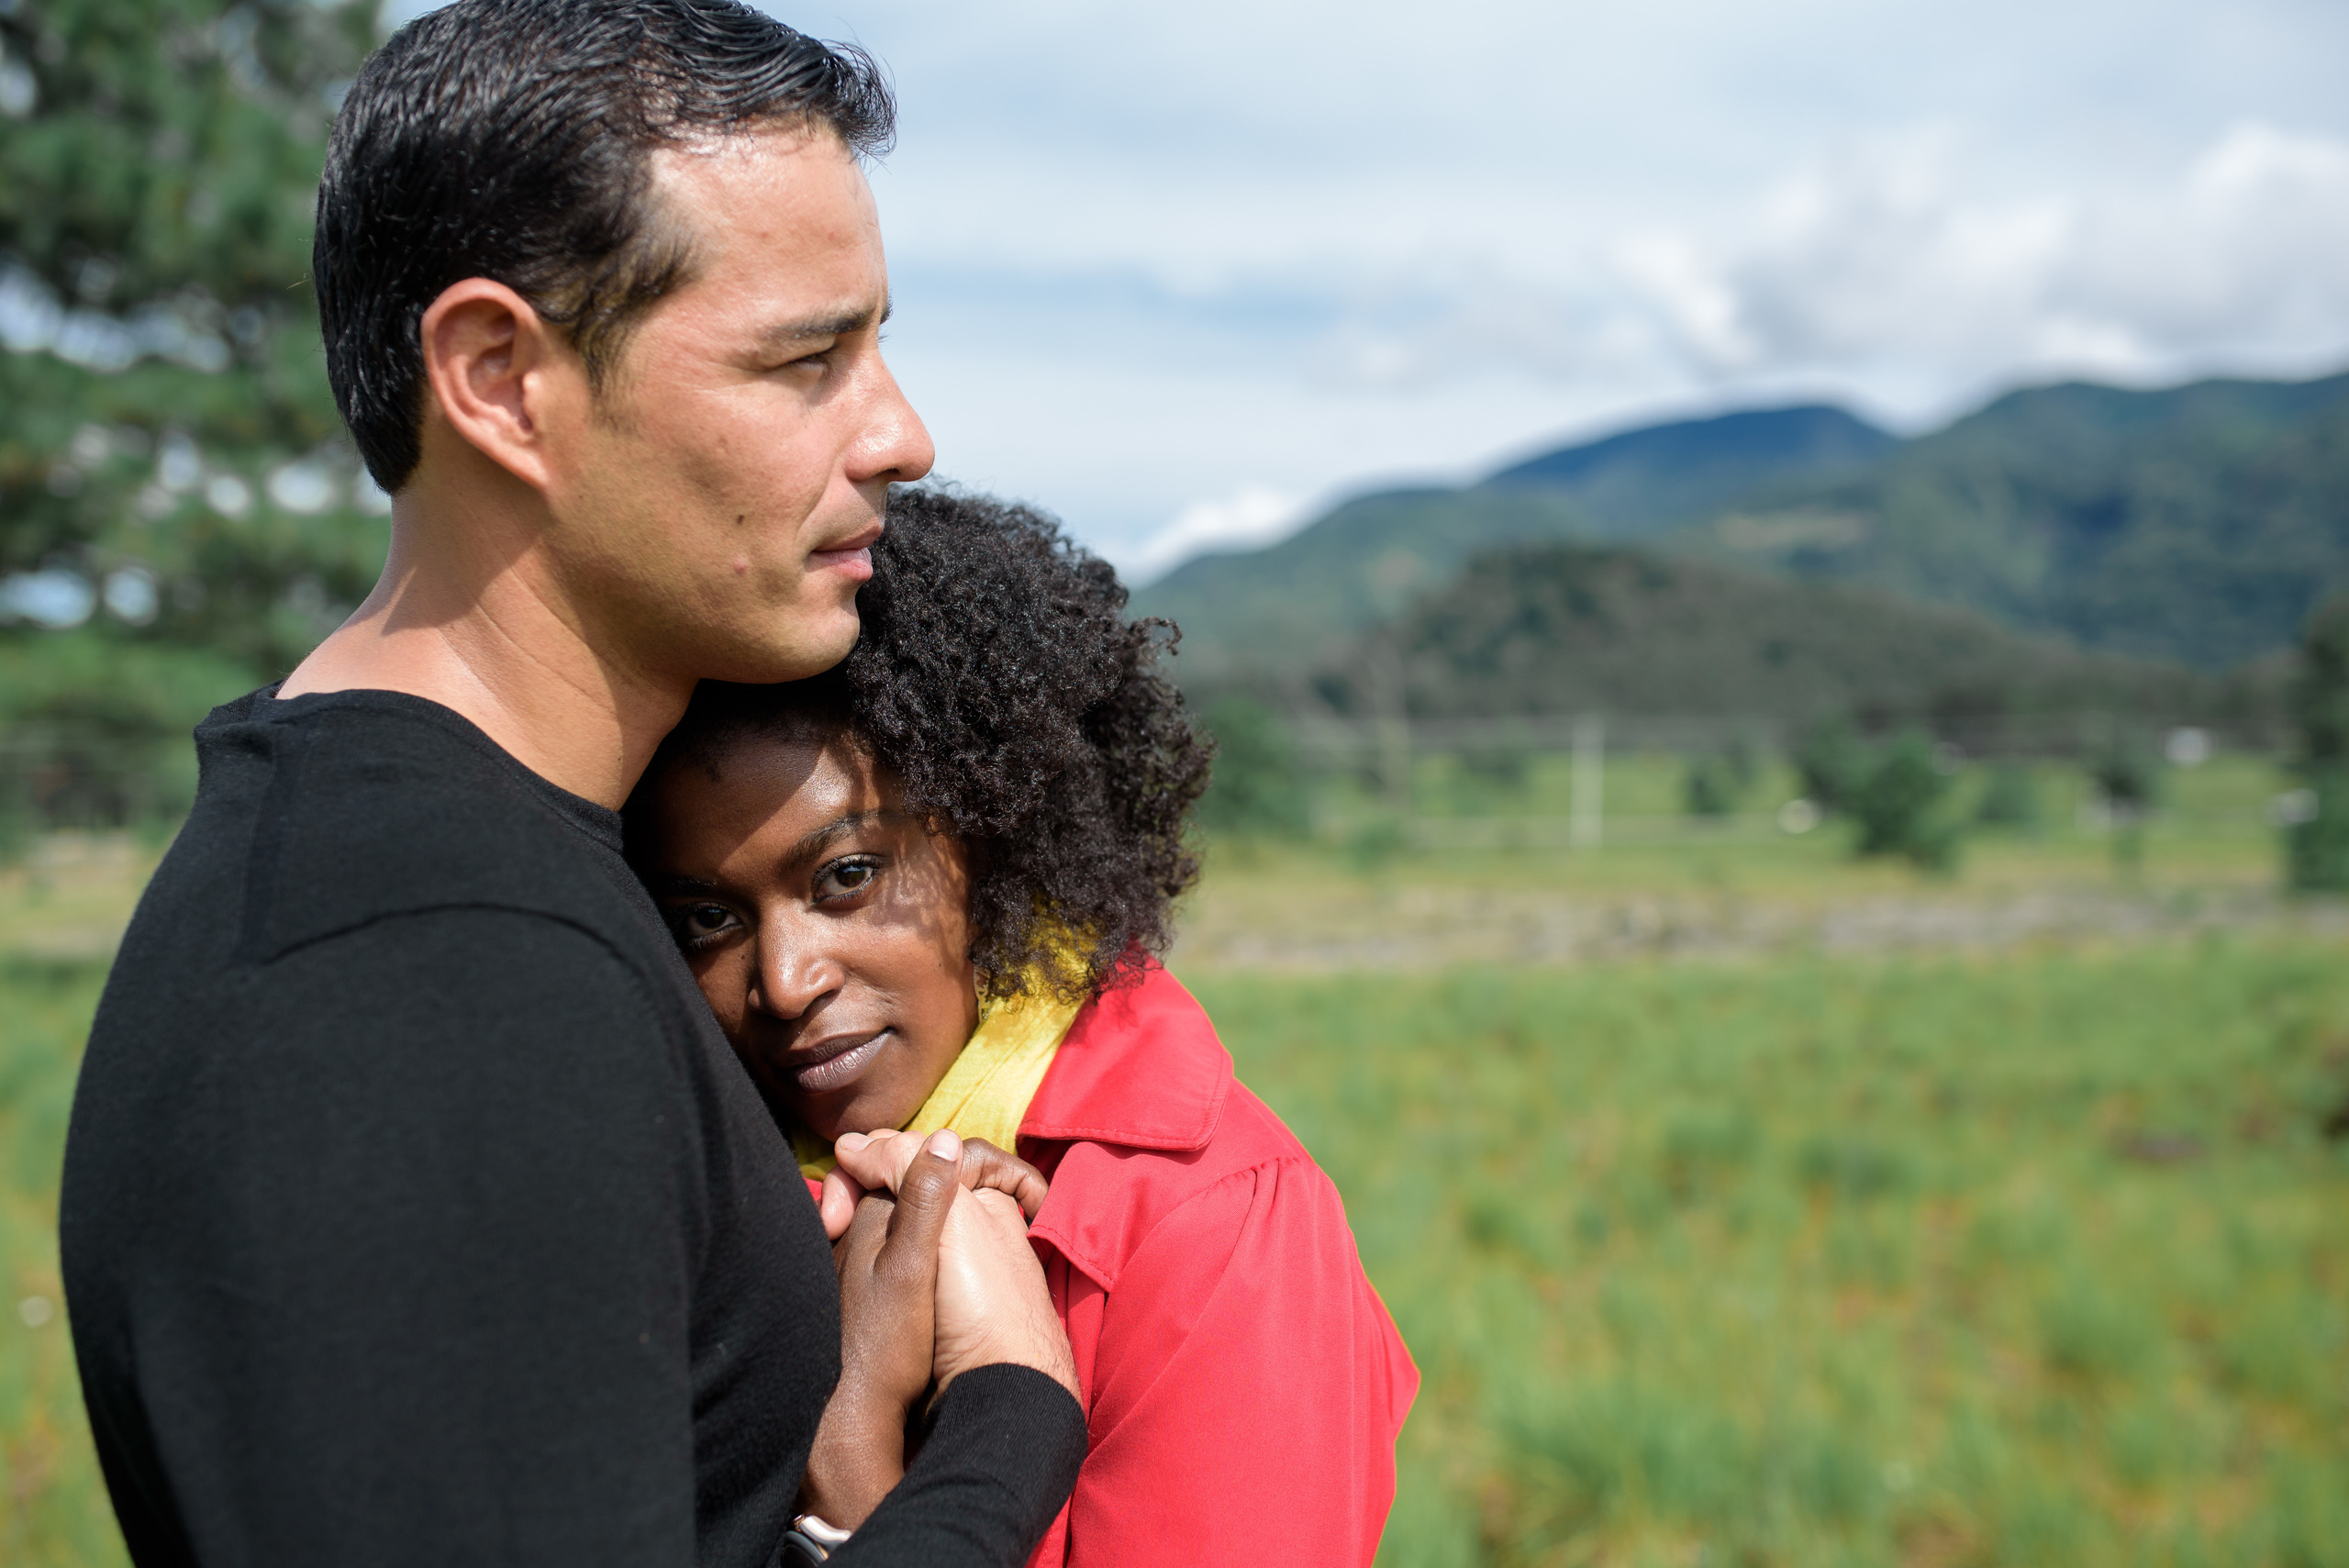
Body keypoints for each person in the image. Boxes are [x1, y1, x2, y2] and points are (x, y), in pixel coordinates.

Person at [59, 4, 1085, 1565]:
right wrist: (1010, 1416)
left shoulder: (470, 872)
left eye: (879, 345)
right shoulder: (430, 970)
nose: (903, 435)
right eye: (805, 358)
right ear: (500, 379)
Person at [624, 487, 1421, 1566]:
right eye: (707, 918)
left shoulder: (1207, 1223)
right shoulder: (677, 1173)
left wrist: (852, 1486)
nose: (785, 978)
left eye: (847, 875)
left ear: (989, 835)